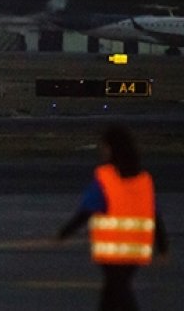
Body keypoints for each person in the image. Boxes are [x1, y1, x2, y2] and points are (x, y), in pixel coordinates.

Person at [57, 124, 169, 310]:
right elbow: (155, 214)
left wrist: (64, 233)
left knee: (118, 293)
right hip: (135, 250)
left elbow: (86, 211)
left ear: (110, 148)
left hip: (113, 251)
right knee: (113, 294)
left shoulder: (106, 179)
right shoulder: (143, 180)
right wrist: (163, 247)